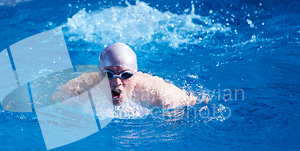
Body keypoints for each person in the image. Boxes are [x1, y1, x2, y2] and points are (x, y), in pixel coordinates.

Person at [51, 43, 198, 109]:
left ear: (134, 75)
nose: (116, 82)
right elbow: (49, 105)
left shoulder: (159, 94)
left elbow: (194, 103)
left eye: (125, 75)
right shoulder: (80, 88)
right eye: (108, 74)